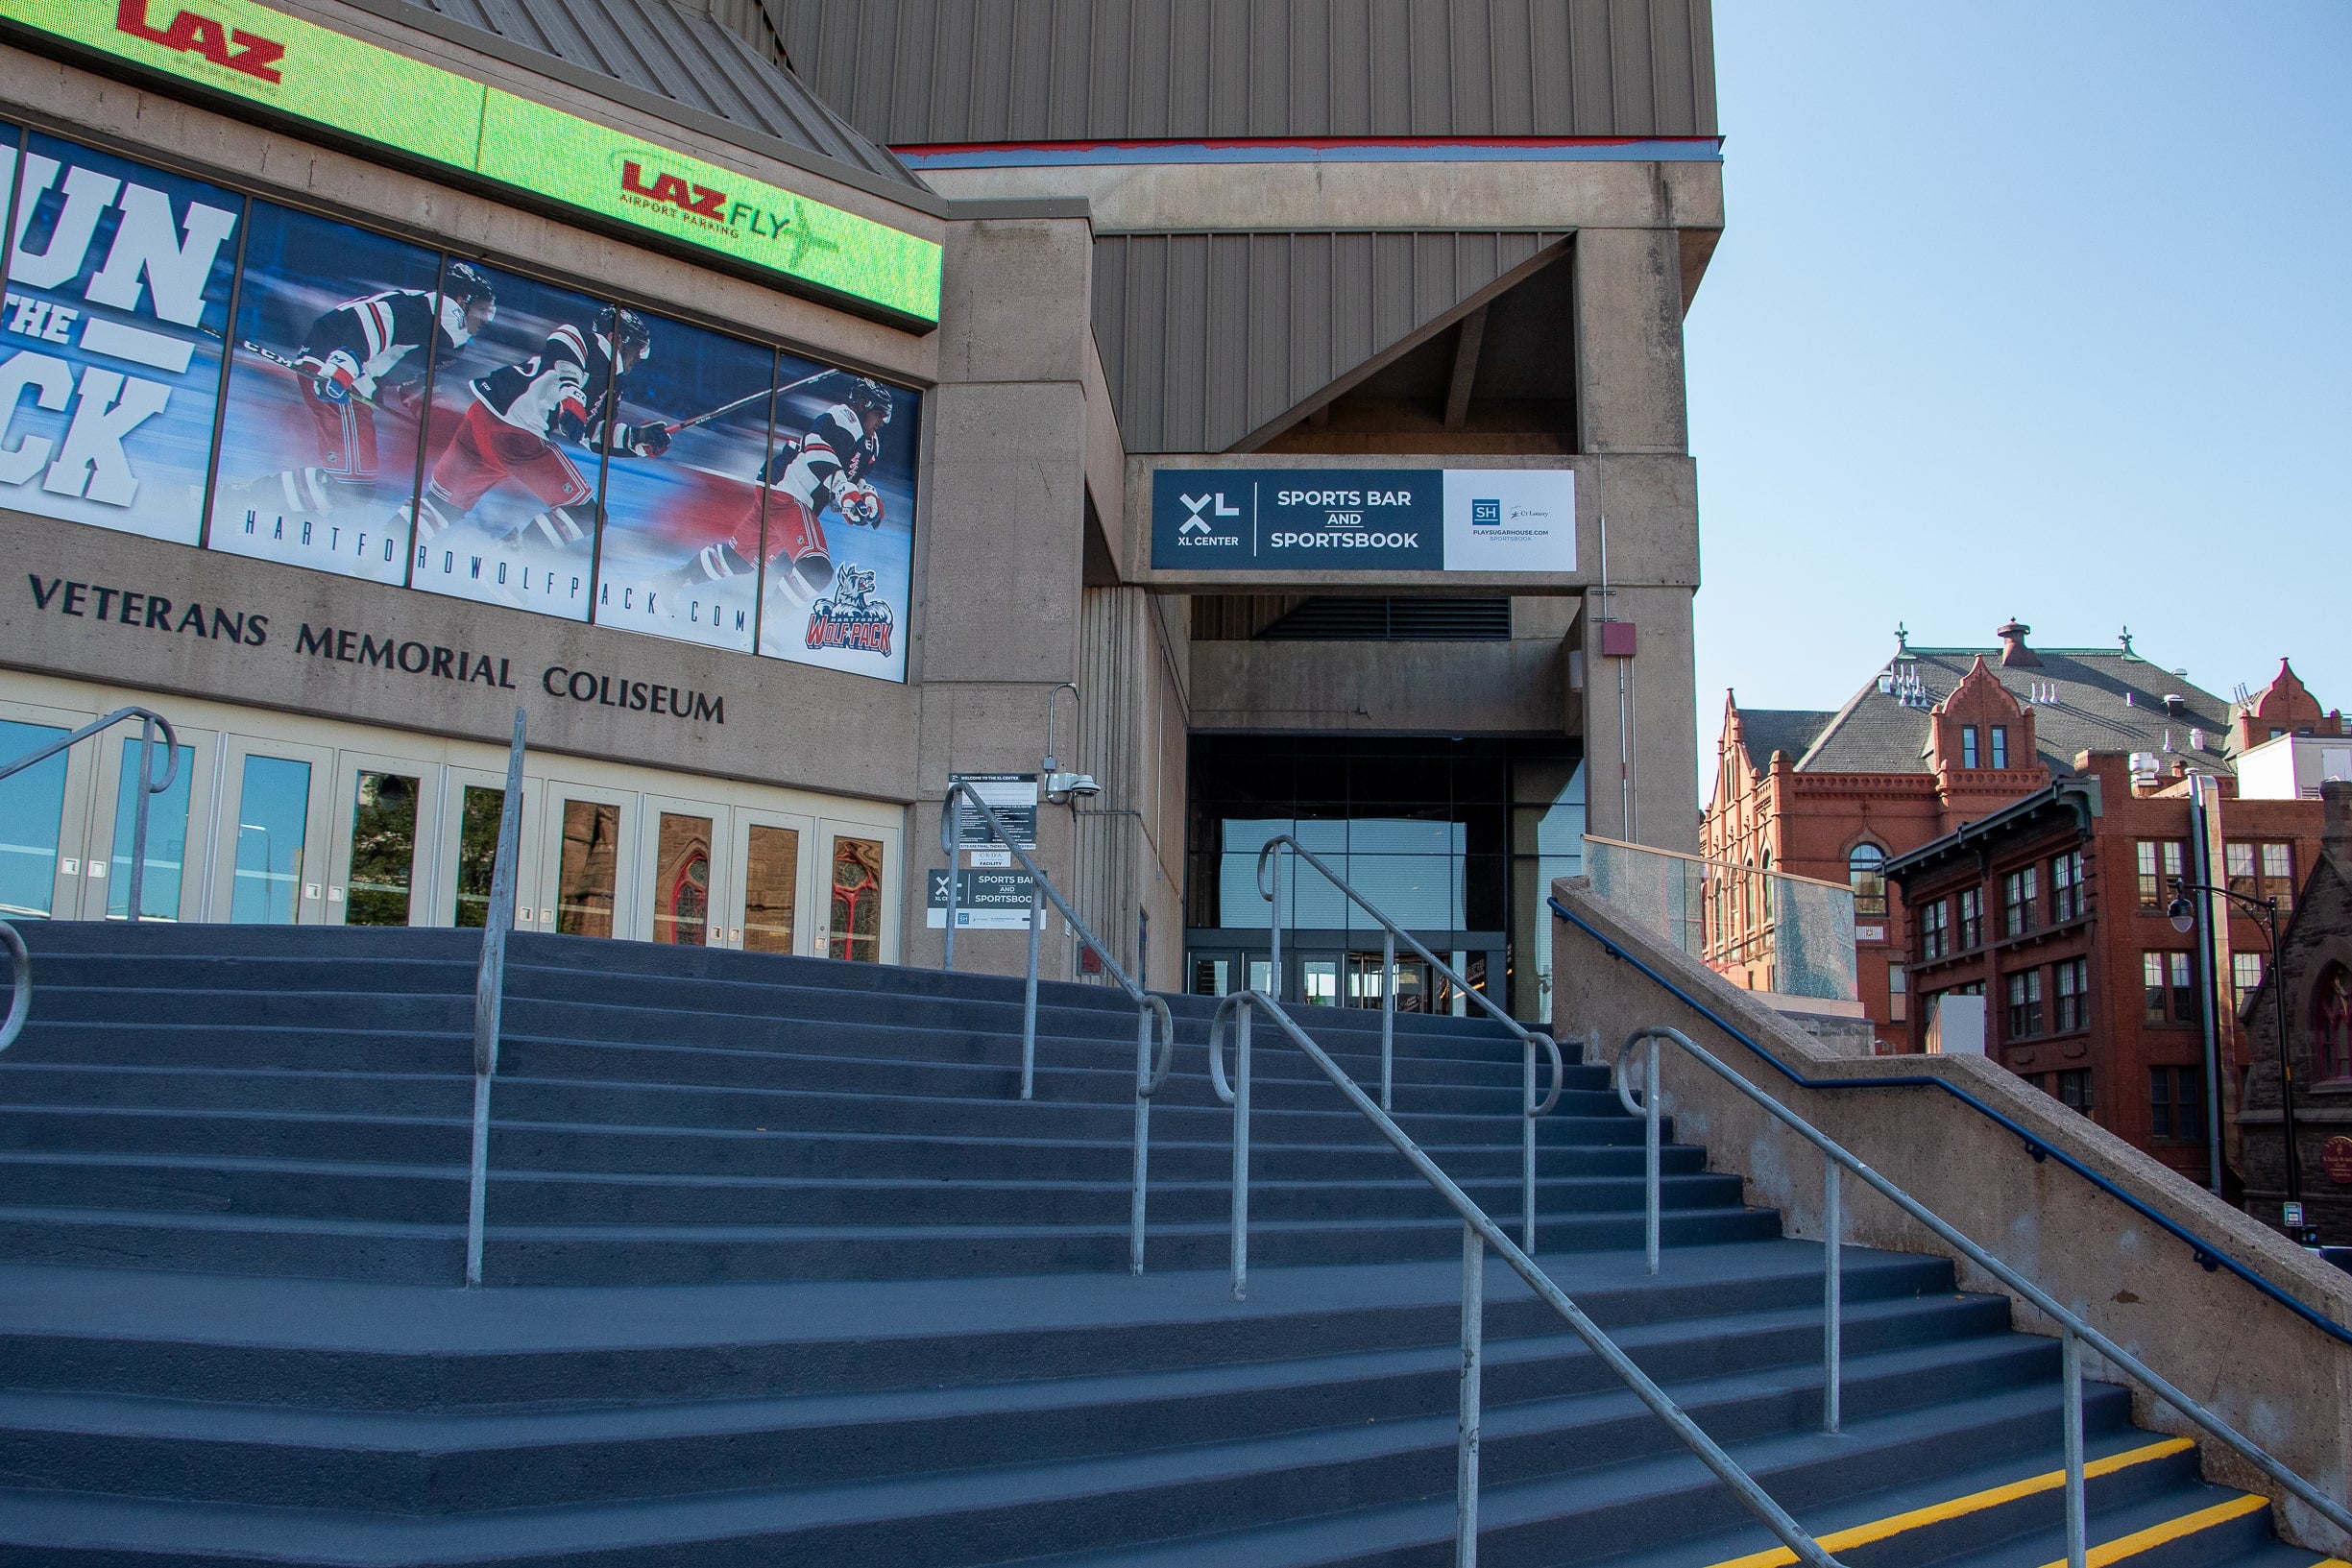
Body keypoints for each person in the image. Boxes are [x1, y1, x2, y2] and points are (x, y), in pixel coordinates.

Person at [226, 262, 496, 516]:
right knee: (351, 487)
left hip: (351, 381)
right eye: (483, 309)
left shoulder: (448, 335)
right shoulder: (436, 313)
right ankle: (239, 501)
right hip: (335, 374)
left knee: (354, 487)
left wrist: (435, 420)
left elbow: (411, 379)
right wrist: (342, 369)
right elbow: (371, 321)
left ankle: (252, 504)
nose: (486, 319)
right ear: (462, 300)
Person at [406, 304, 669, 551]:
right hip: (517, 435)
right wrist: (571, 391)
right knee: (586, 515)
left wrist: (637, 440)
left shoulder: (609, 381)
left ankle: (381, 550)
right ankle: (508, 560)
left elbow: (590, 432)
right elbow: (566, 337)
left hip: (482, 421)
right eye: (639, 348)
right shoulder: (596, 346)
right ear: (618, 339)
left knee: (440, 508)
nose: (639, 358)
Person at [653, 374, 892, 603]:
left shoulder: (871, 445)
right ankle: (766, 627)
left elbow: (853, 481)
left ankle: (672, 581)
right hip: (789, 494)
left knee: (740, 560)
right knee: (816, 570)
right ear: (863, 404)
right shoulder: (844, 417)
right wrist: (844, 490)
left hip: (783, 493)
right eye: (880, 412)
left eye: (887, 416)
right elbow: (816, 447)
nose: (883, 420)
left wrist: (867, 498)